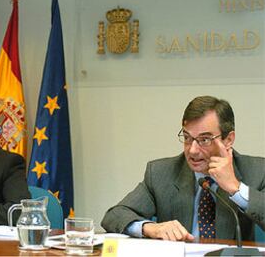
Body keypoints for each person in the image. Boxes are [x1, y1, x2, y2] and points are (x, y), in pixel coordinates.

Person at [101, 96, 265, 241]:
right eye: (187, 138)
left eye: (204, 140)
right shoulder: (161, 173)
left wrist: (235, 188)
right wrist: (150, 228)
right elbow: (115, 215)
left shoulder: (257, 171)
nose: (192, 150)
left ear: (228, 140)